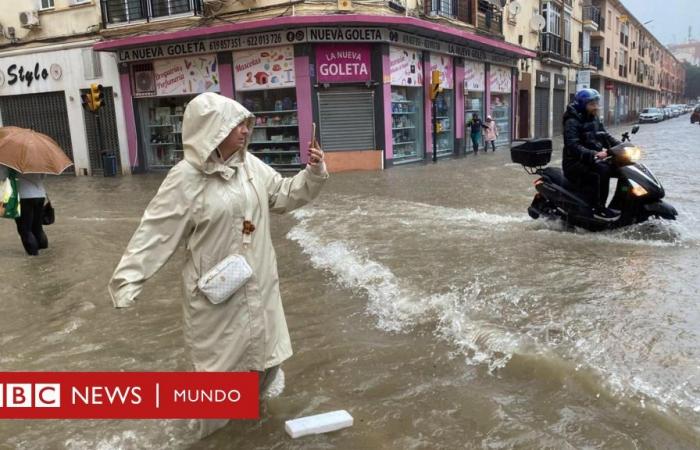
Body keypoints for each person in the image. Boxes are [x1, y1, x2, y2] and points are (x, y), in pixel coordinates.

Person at [107, 92, 328, 438]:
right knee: (218, 387)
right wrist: (128, 280)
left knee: (265, 367)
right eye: (236, 124)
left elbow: (282, 194)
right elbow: (155, 231)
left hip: (260, 288)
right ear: (212, 129)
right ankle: (208, 440)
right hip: (217, 301)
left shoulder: (250, 167)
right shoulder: (185, 179)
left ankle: (253, 435)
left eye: (245, 123)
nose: (244, 130)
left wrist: (313, 173)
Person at [562, 88, 621, 221]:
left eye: (596, 103)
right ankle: (598, 208)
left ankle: (622, 204)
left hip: (592, 159)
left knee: (620, 168)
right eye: (592, 104)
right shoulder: (572, 121)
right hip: (574, 163)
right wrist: (594, 154)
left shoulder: (594, 119)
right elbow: (573, 145)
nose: (596, 107)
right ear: (583, 105)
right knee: (603, 170)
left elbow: (605, 136)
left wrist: (621, 146)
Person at [0, 164, 48, 255]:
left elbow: (2, 176)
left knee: (25, 229)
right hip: (40, 195)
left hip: (23, 196)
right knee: (37, 227)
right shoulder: (38, 158)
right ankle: (44, 254)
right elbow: (43, 176)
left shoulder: (9, 160)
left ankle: (34, 257)